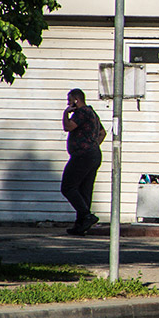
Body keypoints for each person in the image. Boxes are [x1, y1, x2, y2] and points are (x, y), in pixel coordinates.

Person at [61, 88, 104, 235]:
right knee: (84, 191)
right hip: (93, 155)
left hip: (82, 155)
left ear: (76, 100)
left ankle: (86, 216)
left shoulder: (81, 113)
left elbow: (68, 127)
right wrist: (93, 145)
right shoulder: (92, 113)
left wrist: (66, 113)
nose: (68, 103)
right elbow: (102, 132)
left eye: (69, 100)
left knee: (68, 187)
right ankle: (81, 225)